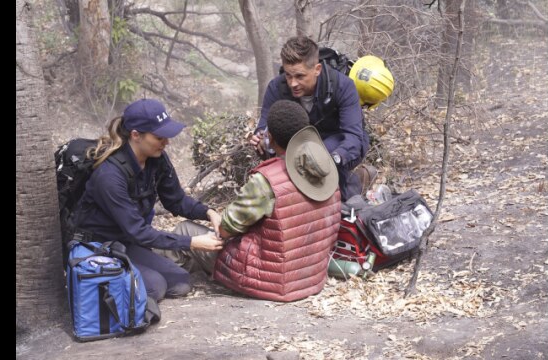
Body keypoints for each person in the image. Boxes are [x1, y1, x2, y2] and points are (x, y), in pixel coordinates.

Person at [184, 100, 342, 302]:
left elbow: (226, 229)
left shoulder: (266, 180)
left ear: (270, 137)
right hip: (310, 278)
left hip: (271, 279)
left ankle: (165, 283)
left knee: (185, 231)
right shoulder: (326, 169)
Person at [71, 98, 224, 302]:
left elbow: (176, 200)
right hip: (99, 246)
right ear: (136, 135)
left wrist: (209, 212)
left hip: (128, 242)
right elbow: (139, 231)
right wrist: (192, 242)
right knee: (155, 288)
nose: (166, 142)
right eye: (160, 137)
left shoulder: (156, 159)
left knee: (180, 283)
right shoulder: (109, 175)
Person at [249, 36, 368, 202]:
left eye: (299, 76)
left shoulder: (343, 86)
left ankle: (350, 187)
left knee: (320, 160)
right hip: (297, 143)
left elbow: (354, 137)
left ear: (317, 69)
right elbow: (265, 126)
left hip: (336, 142)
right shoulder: (276, 87)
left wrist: (333, 159)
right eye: (288, 76)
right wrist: (260, 138)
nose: (293, 84)